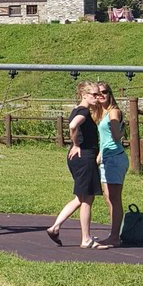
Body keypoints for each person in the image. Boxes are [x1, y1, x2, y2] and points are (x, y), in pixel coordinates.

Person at [46, 82, 105, 248]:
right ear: (84, 95)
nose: (97, 97)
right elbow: (73, 125)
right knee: (87, 198)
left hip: (80, 157)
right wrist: (76, 143)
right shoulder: (84, 111)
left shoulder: (77, 110)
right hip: (84, 157)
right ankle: (86, 239)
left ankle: (55, 227)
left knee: (81, 197)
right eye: (94, 95)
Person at [92, 82, 127, 246]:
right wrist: (99, 156)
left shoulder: (113, 111)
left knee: (114, 198)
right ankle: (115, 232)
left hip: (115, 158)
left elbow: (115, 135)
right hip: (106, 158)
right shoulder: (101, 112)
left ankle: (115, 237)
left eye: (104, 92)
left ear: (110, 93)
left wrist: (121, 130)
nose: (101, 95)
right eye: (98, 93)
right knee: (108, 197)